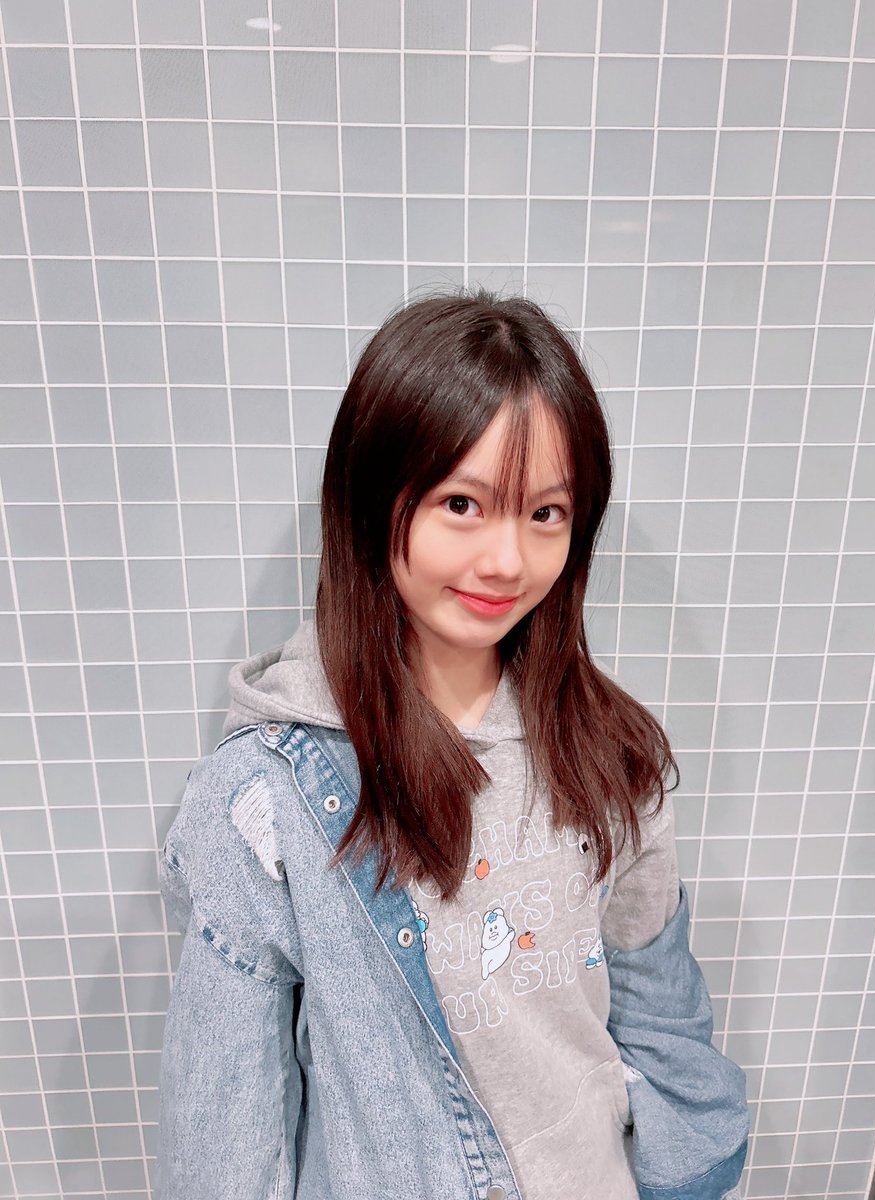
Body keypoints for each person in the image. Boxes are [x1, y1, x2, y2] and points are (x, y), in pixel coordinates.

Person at [154, 288, 750, 1200]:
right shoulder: (272, 802)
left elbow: (659, 1009)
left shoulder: (610, 754)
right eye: (463, 504)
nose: (507, 561)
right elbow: (227, 1122)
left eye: (545, 514)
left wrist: (688, 1174)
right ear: (371, 503)